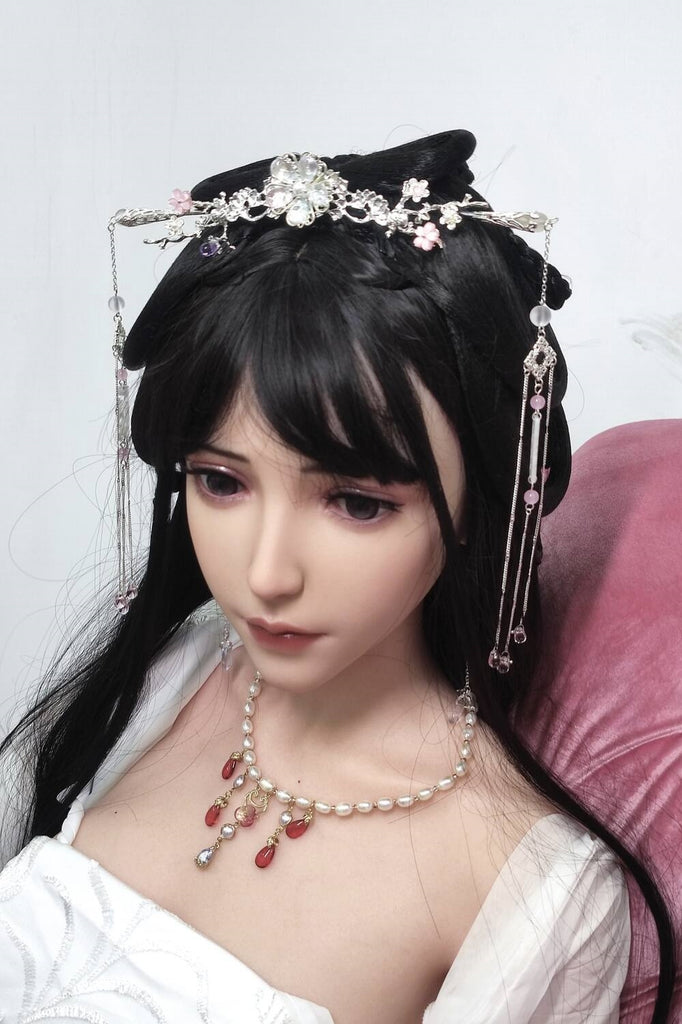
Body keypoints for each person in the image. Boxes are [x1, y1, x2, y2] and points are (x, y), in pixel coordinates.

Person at [0, 130, 673, 1023]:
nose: (265, 574)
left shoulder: (526, 890)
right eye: (221, 482)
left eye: (357, 502)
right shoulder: (176, 671)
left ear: (479, 498)